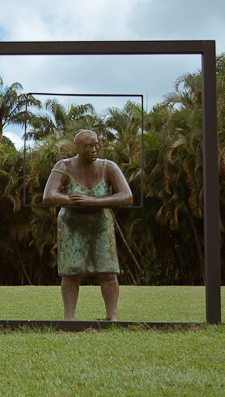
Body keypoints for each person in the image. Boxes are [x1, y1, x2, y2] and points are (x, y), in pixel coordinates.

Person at [42, 130, 132, 321]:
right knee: (70, 272)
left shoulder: (109, 167)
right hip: (71, 226)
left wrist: (94, 202)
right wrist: (74, 201)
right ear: (78, 148)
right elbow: (49, 195)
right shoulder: (64, 166)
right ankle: (69, 318)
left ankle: (112, 316)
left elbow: (127, 196)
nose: (94, 150)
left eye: (96, 145)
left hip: (100, 225)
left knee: (108, 271)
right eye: (88, 146)